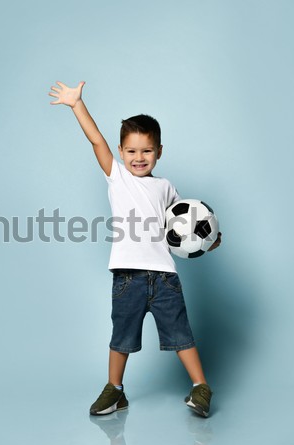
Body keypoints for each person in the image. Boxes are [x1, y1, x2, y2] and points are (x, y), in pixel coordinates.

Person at [49, 81, 222, 418]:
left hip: (165, 277)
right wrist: (76, 105)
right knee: (122, 336)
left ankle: (201, 386)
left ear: (159, 151)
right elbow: (96, 139)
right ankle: (115, 390)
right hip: (127, 277)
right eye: (131, 151)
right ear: (121, 151)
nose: (138, 157)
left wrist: (211, 239)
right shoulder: (118, 177)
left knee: (180, 333)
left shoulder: (166, 187)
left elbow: (184, 228)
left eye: (146, 150)